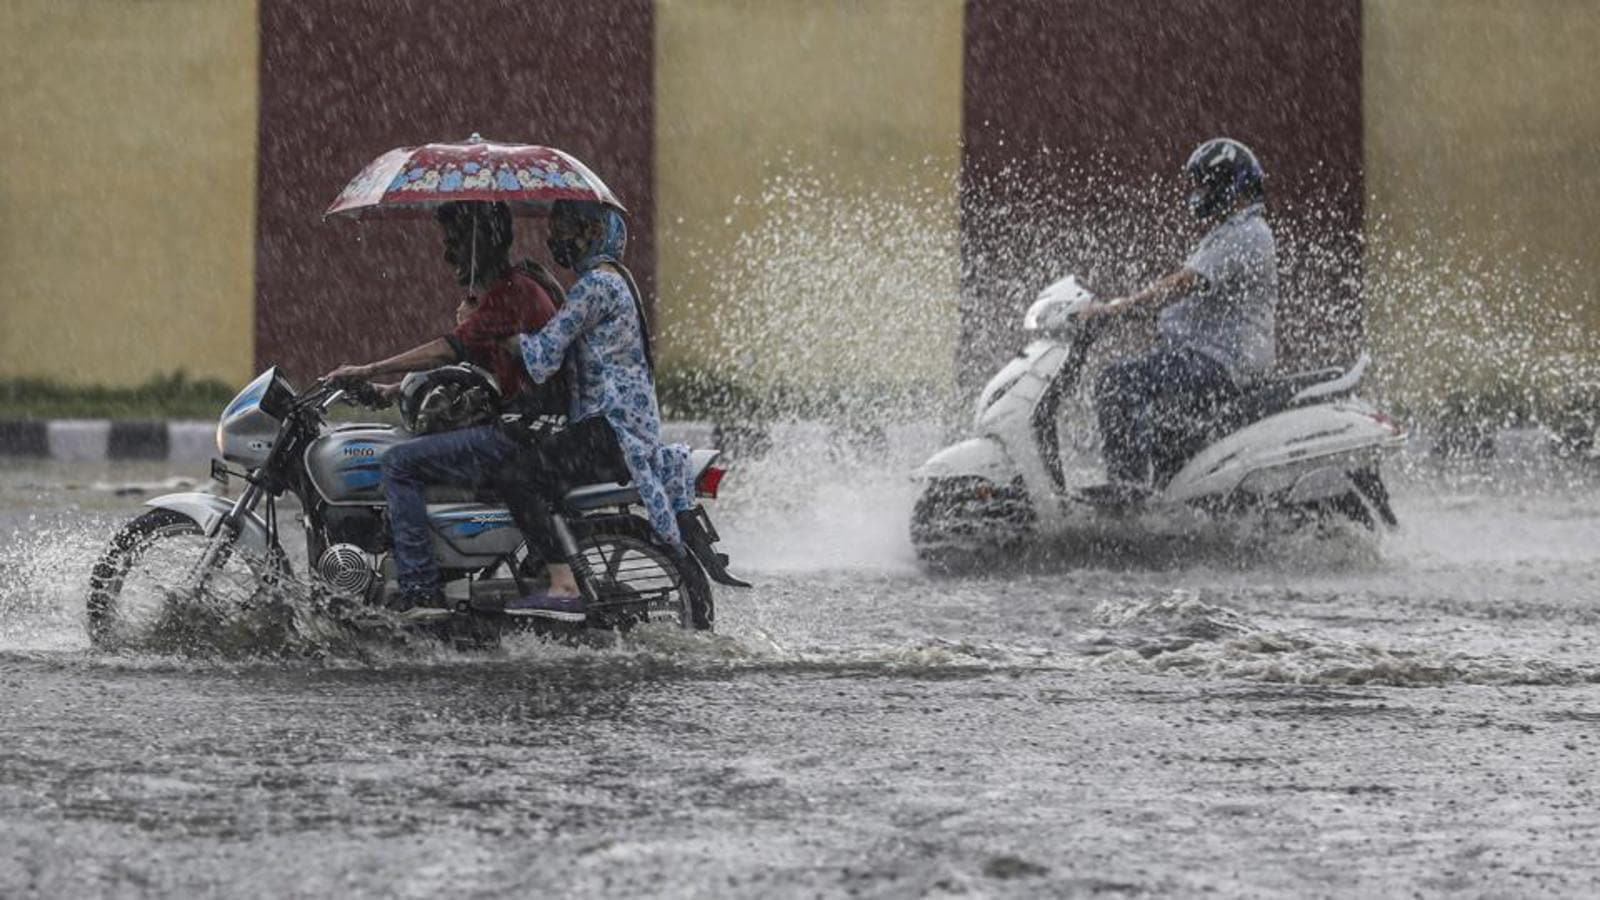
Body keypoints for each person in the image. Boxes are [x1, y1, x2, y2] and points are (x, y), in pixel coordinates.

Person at [323, 200, 565, 621]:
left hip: (523, 432)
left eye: (456, 241)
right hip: (522, 425)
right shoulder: (507, 290)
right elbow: (473, 366)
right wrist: (388, 390)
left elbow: (448, 349)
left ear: (481, 242)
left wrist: (368, 367)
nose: (447, 253)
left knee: (398, 464)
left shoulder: (512, 294)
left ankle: (420, 590)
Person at [492, 199, 692, 621]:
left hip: (610, 431)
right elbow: (577, 323)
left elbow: (544, 355)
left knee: (517, 475)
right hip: (623, 428)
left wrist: (497, 334)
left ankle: (563, 585)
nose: (556, 239)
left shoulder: (596, 286)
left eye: (567, 230)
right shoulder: (615, 280)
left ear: (592, 233)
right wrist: (552, 284)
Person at [1080, 137, 1279, 495]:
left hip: (1219, 363)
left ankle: (1126, 497)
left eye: (1205, 184)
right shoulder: (1232, 233)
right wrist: (1128, 315)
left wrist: (1114, 309)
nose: (1198, 193)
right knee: (1162, 426)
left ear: (1227, 186)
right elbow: (1188, 302)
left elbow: (1181, 285)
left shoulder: (1245, 234)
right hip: (1208, 357)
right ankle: (1164, 503)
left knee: (1118, 383)